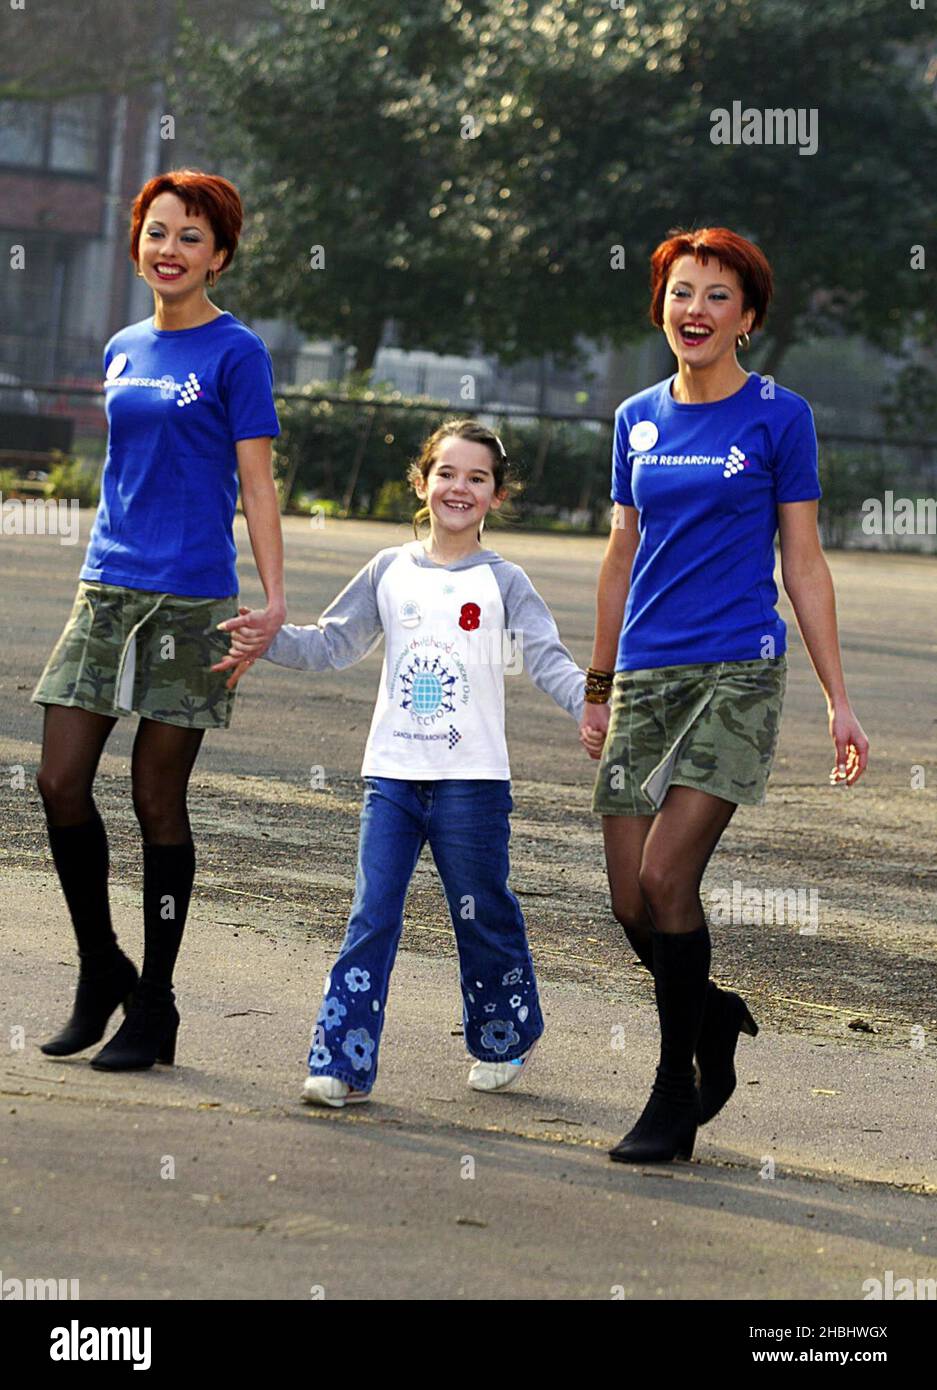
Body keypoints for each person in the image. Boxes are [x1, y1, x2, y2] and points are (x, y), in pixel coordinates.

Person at [580, 227, 869, 1164]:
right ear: (658, 304)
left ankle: (675, 1093)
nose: (693, 310)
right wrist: (597, 682)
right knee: (629, 902)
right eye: (678, 292)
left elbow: (803, 561)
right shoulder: (634, 417)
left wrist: (837, 699)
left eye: (715, 296)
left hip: (736, 673)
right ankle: (713, 1015)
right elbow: (621, 553)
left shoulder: (779, 417)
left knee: (669, 880)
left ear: (746, 318)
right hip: (644, 675)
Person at [214, 419, 585, 1106]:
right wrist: (267, 639)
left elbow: (547, 659)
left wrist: (593, 707)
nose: (459, 487)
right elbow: (331, 643)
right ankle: (342, 1062)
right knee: (372, 915)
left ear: (497, 496)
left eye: (477, 478)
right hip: (390, 780)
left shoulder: (505, 581)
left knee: (481, 914)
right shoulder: (389, 570)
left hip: (472, 786)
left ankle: (505, 1033)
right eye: (446, 473)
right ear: (421, 481)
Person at [32, 169, 285, 1070]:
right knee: (59, 781)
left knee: (155, 799)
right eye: (157, 231)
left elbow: (256, 482)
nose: (169, 248)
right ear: (138, 240)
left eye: (190, 236)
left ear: (218, 255)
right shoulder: (124, 345)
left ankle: (158, 1006)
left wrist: (272, 597)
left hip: (191, 599)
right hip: (107, 589)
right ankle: (103, 968)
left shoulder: (237, 353)